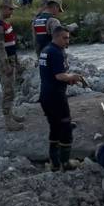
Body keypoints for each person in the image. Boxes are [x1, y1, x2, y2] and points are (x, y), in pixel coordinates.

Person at [39, 26, 83, 171]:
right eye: (65, 38)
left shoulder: (46, 50)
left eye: (68, 38)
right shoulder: (56, 52)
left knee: (54, 126)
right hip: (56, 97)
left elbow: (53, 75)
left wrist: (67, 79)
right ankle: (65, 163)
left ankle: (54, 163)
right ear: (56, 37)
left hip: (46, 95)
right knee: (65, 128)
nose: (67, 41)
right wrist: (73, 77)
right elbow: (59, 75)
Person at [0, 0, 25, 131]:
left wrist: (16, 62)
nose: (12, 11)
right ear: (3, 8)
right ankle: (8, 121)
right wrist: (6, 64)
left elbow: (10, 44)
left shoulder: (5, 23)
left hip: (11, 58)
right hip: (4, 61)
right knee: (7, 91)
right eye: (11, 9)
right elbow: (0, 47)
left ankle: (11, 113)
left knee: (11, 88)